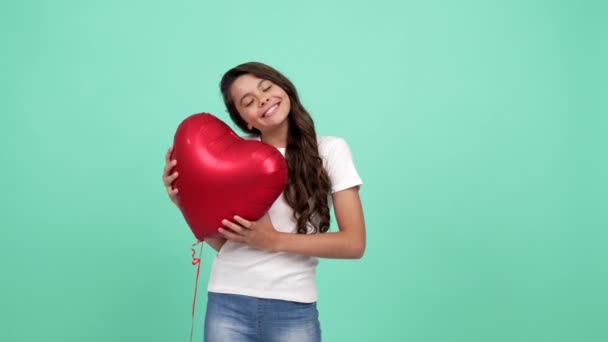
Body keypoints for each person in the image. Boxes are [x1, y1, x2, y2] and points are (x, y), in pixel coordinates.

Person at [162, 62, 366, 342]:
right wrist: (185, 202)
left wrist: (273, 240)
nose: (263, 99)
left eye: (266, 87)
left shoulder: (330, 150)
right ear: (245, 120)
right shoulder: (232, 160)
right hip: (227, 300)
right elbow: (227, 243)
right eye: (248, 101)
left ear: (285, 88)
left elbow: (354, 244)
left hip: (293, 306)